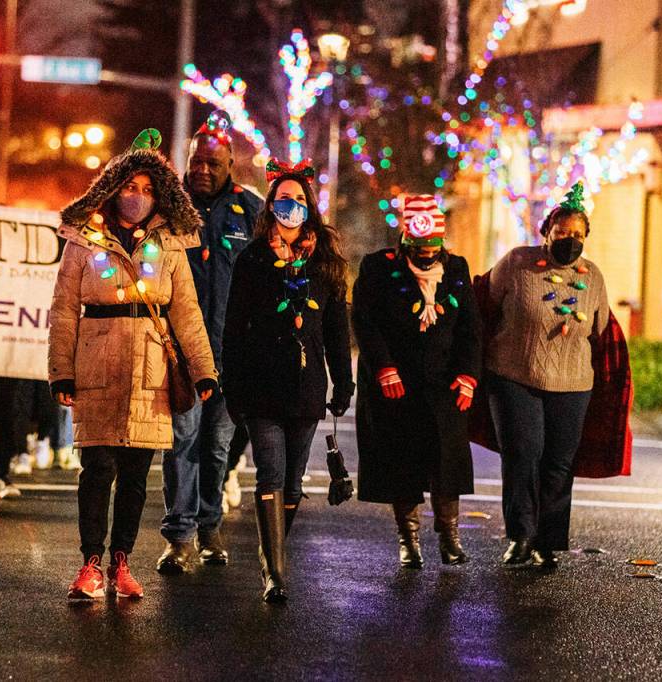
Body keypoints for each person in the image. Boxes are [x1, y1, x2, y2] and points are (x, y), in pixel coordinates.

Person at [49, 129, 217, 601]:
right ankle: (90, 564)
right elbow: (63, 309)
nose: (137, 197)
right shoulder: (83, 240)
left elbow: (186, 311)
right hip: (97, 367)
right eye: (129, 187)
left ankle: (123, 561)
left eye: (146, 189)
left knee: (137, 476)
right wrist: (61, 372)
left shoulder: (169, 245)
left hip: (152, 373)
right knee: (97, 469)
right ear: (112, 188)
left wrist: (204, 370)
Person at [221, 159, 353, 603]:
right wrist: (233, 388)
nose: (291, 207)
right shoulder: (253, 259)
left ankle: (271, 550)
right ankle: (275, 573)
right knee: (270, 476)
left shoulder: (327, 263)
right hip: (262, 386)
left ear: (309, 207)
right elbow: (234, 328)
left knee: (293, 484)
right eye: (283, 199)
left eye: (299, 200)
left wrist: (344, 383)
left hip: (307, 387)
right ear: (270, 205)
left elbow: (336, 330)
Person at [484, 182, 611, 570]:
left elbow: (601, 327)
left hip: (572, 383)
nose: (570, 241)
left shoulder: (592, 277)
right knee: (523, 453)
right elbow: (486, 304)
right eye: (562, 233)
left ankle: (546, 541)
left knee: (558, 462)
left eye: (577, 235)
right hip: (513, 374)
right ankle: (520, 536)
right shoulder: (516, 263)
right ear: (546, 232)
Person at [352, 194, 481, 568]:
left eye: (432, 248)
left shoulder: (455, 269)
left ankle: (449, 536)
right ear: (405, 240)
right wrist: (383, 367)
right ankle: (408, 539)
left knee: (448, 458)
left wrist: (468, 375)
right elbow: (365, 320)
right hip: (397, 382)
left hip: (443, 381)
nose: (426, 255)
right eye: (418, 248)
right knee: (401, 460)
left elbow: (471, 328)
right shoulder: (379, 268)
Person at [158, 112, 262, 573]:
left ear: (230, 165)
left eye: (212, 164)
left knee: (217, 448)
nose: (202, 170)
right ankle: (178, 537)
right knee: (181, 441)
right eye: (196, 162)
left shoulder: (252, 210)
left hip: (233, 355)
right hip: (180, 352)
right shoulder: (165, 204)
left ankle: (210, 527)